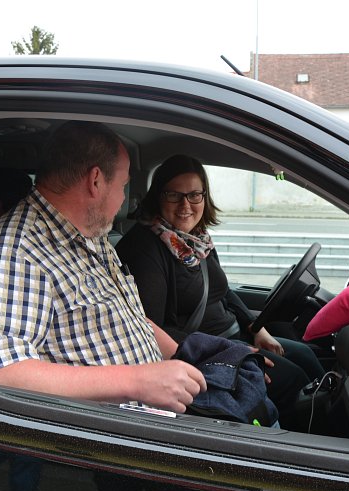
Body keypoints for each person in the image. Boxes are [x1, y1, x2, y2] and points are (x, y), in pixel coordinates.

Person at [0, 121, 207, 491]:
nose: (125, 200)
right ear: (95, 180)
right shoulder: (10, 253)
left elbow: (128, 318)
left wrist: (190, 357)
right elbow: (0, 374)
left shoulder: (88, 236)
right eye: (124, 185)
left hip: (153, 416)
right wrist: (139, 381)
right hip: (104, 442)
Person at [115, 154, 325, 420]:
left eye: (194, 195)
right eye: (174, 195)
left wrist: (257, 329)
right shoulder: (145, 248)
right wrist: (229, 353)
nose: (185, 205)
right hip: (207, 352)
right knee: (294, 380)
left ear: (205, 197)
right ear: (158, 196)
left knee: (305, 356)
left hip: (235, 338)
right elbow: (151, 328)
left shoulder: (195, 241)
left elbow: (223, 292)